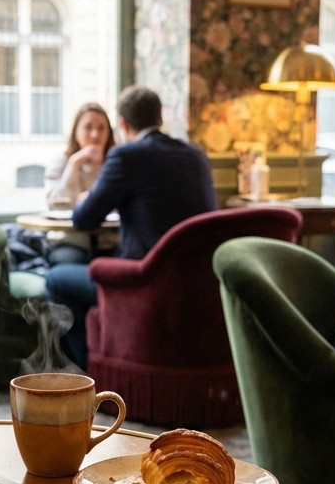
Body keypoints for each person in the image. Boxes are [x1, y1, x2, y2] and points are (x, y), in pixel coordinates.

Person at [45, 86, 217, 368]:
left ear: (123, 125)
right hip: (198, 282)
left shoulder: (127, 156)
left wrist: (94, 197)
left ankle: (91, 373)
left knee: (57, 279)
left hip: (145, 280)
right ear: (159, 119)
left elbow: (83, 220)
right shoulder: (196, 156)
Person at [44, 102, 118, 265]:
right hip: (70, 241)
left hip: (109, 241)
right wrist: (74, 165)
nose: (94, 134)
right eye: (88, 127)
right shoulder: (61, 162)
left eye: (101, 128)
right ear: (75, 131)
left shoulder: (115, 164)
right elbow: (56, 204)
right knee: (70, 263)